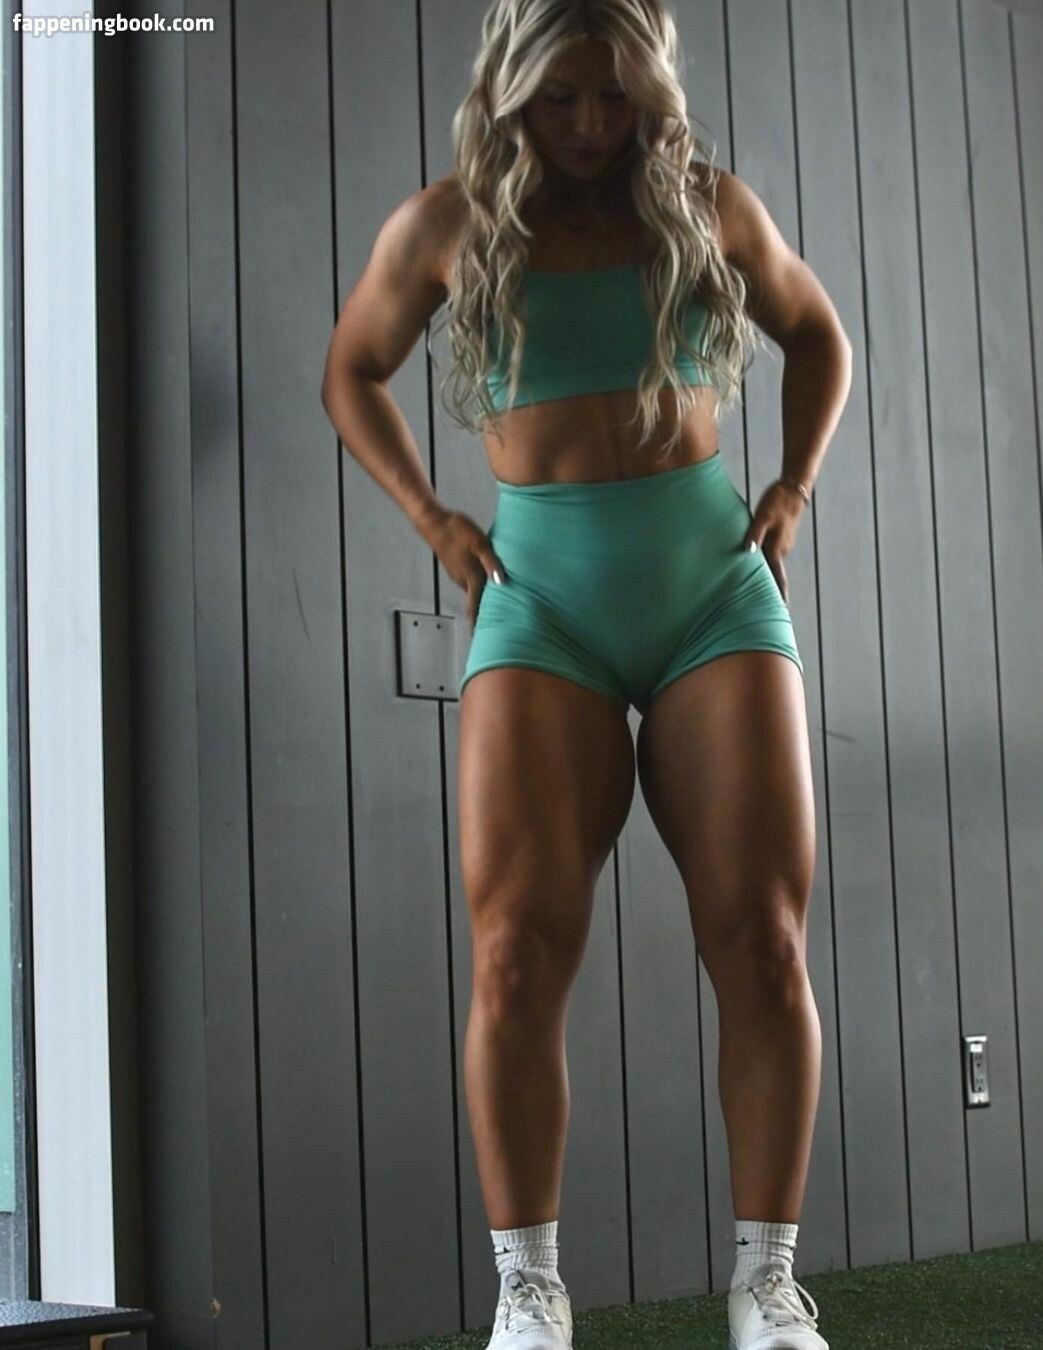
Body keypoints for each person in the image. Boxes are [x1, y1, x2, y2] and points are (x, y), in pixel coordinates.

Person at [321, 1, 852, 1345]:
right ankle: (530, 1291)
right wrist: (433, 517)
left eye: (613, 98)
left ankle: (767, 1285)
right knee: (514, 951)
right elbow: (352, 371)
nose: (587, 126)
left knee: (763, 940)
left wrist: (791, 486)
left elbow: (819, 334)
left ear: (648, 92)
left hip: (709, 592)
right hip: (542, 602)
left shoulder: (708, 208)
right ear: (512, 91)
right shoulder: (445, 227)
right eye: (560, 99)